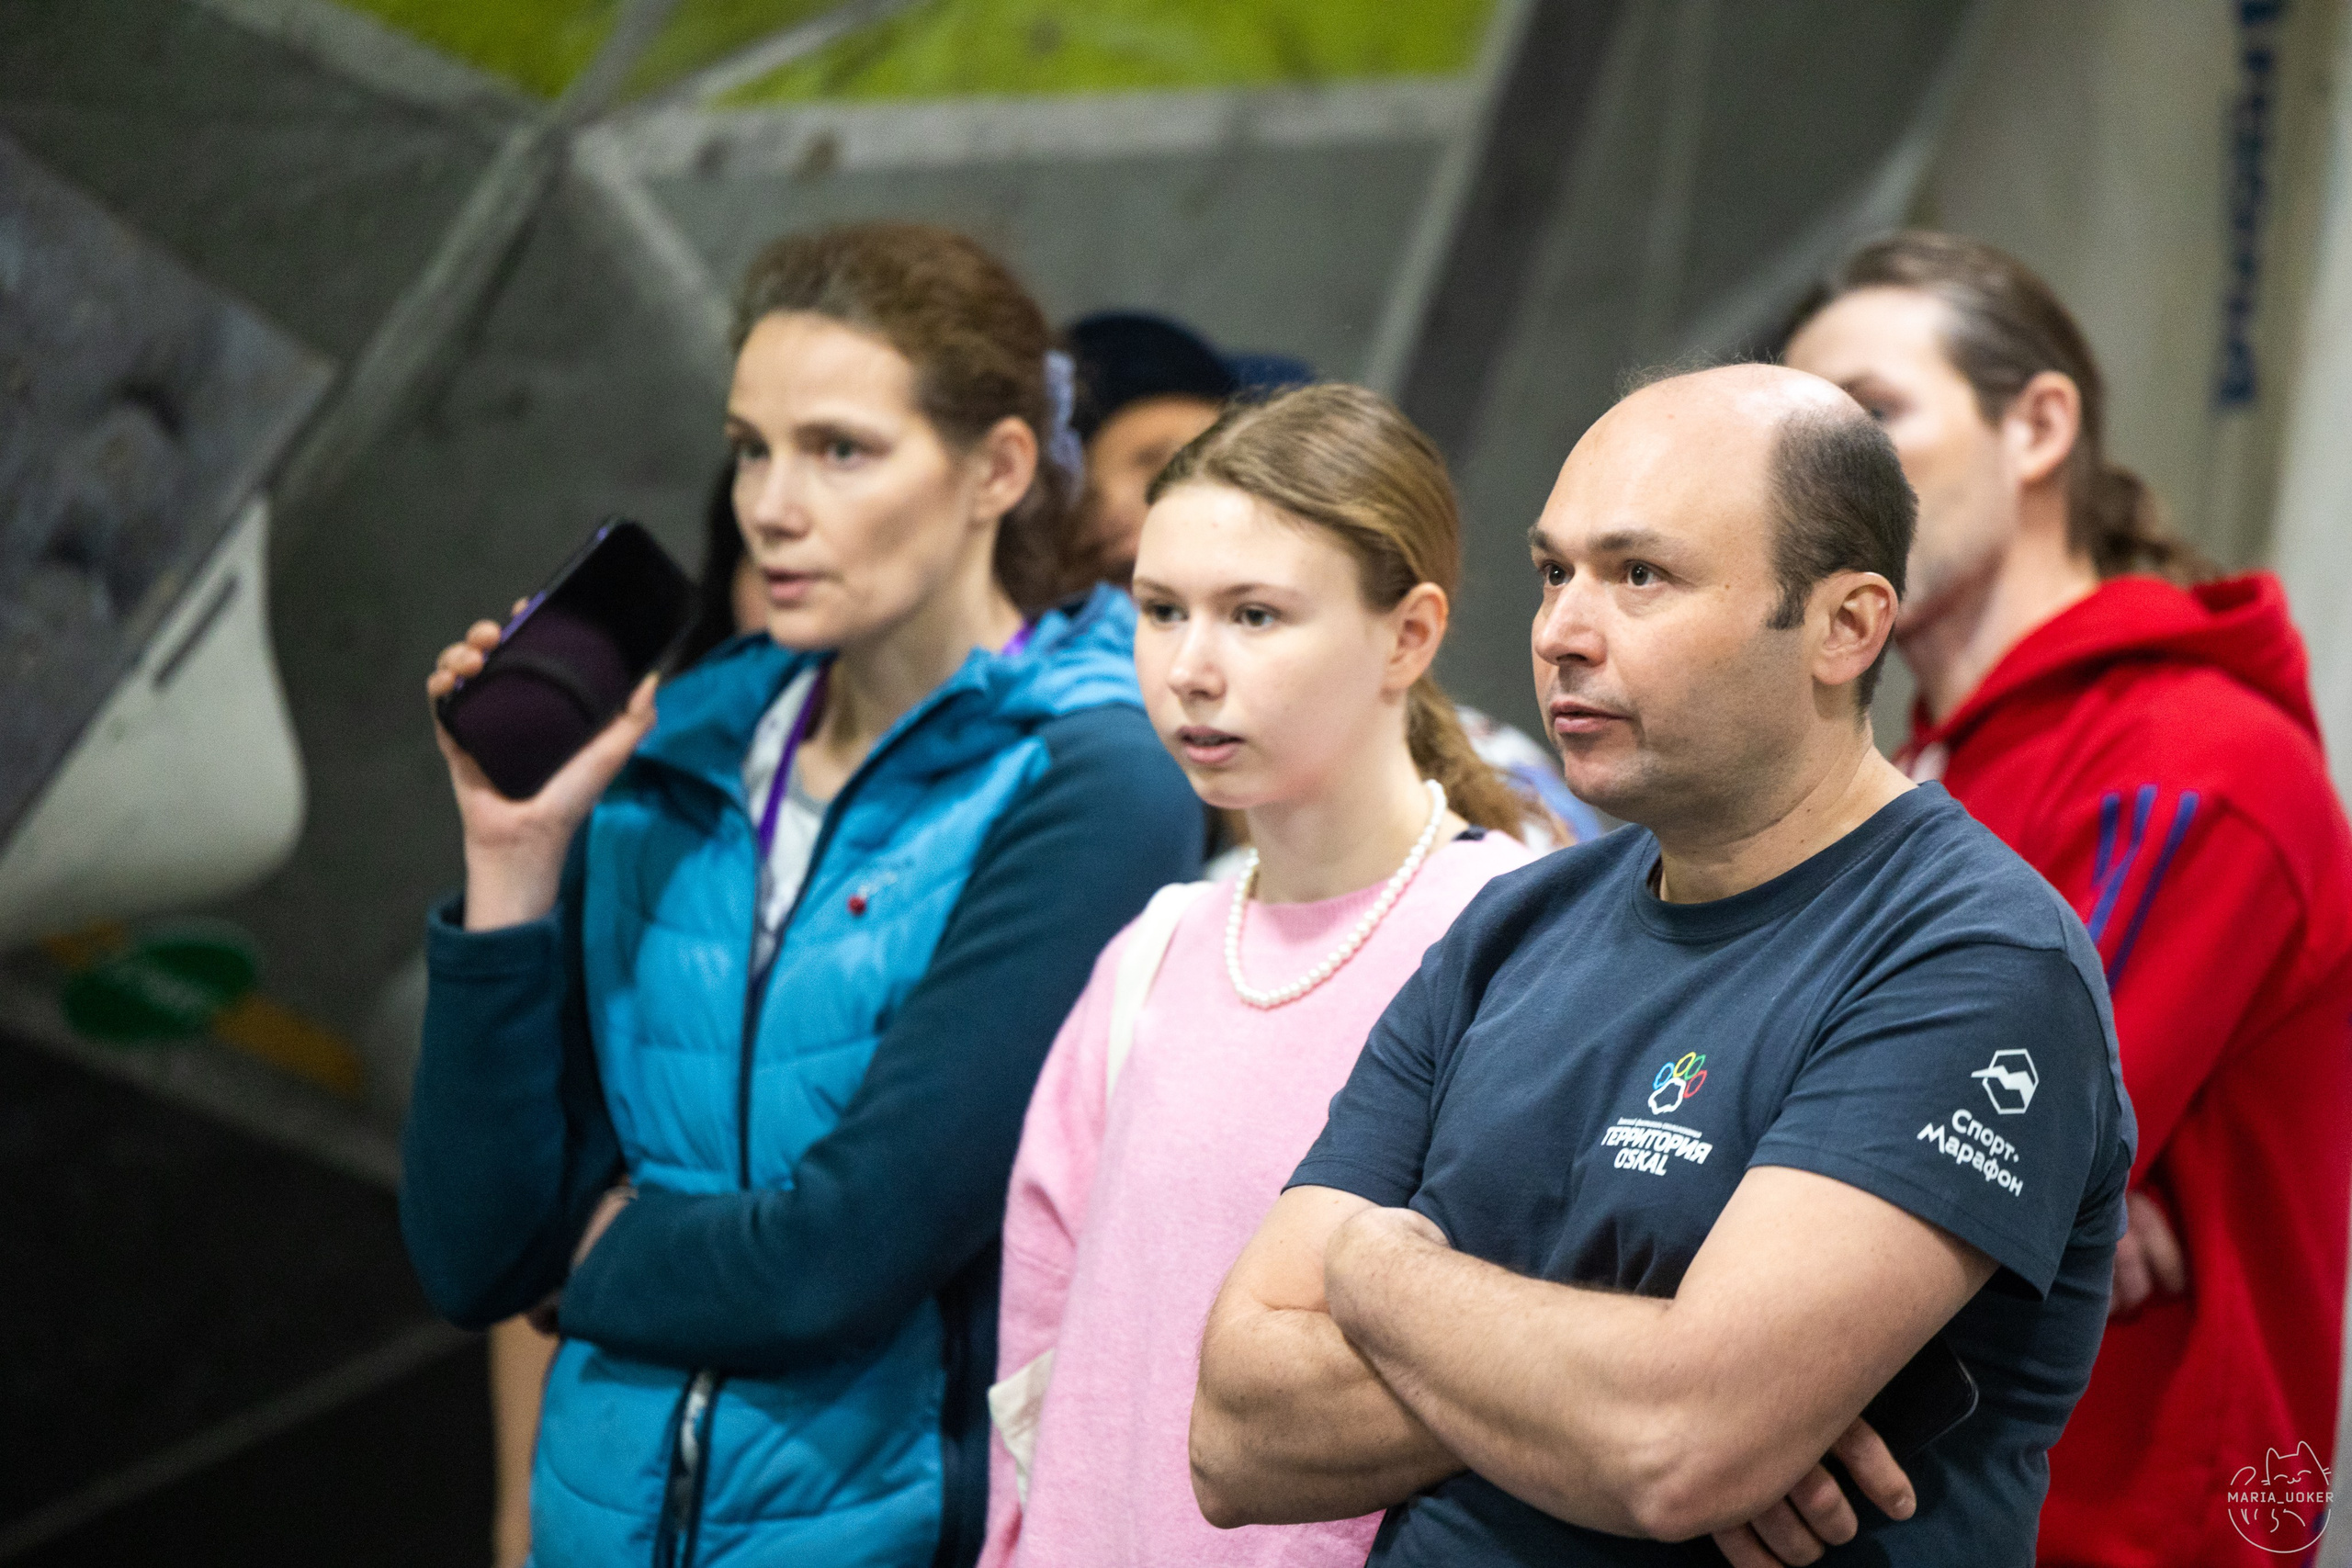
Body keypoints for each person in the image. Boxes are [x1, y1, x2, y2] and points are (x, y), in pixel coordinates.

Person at [1192, 364, 2135, 1566]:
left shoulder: (1972, 954)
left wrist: (1376, 1272)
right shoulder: (1511, 930)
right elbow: (1236, 1431)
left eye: (1641, 576)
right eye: (1553, 573)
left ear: (1846, 626)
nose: (1561, 635)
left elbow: (1676, 1443)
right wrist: (1628, 1373)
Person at [401, 221, 1203, 1568]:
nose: (774, 504)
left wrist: (576, 1257)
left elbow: (837, 1259)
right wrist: (513, 859)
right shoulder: (671, 749)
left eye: (841, 450)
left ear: (998, 468)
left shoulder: (1098, 776)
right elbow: (469, 1251)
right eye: (753, 446)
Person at [1781, 231, 2352, 1567]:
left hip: (2122, 1529)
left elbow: (1927, 1172)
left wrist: (1998, 1181)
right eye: (1800, 442)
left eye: (1873, 416)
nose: (1822, 487)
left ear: (2037, 426)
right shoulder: (1911, 765)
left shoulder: (2191, 765)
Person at [978, 384, 1538, 1568]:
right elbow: (1038, 1358)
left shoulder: (1508, 938)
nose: (1191, 667)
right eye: (1162, 609)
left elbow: (1525, 1364)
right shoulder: (1154, 951)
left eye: (1256, 616)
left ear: (1410, 635)